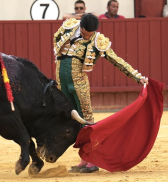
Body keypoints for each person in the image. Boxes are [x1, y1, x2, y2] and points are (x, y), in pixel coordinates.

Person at [53, 13, 148, 173]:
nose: (86, 37)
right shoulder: (69, 27)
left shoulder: (98, 40)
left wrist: (137, 77)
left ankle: (93, 160)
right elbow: (58, 38)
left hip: (79, 84)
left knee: (87, 121)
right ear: (80, 26)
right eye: (84, 34)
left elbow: (116, 59)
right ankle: (84, 160)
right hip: (63, 85)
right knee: (71, 122)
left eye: (90, 35)